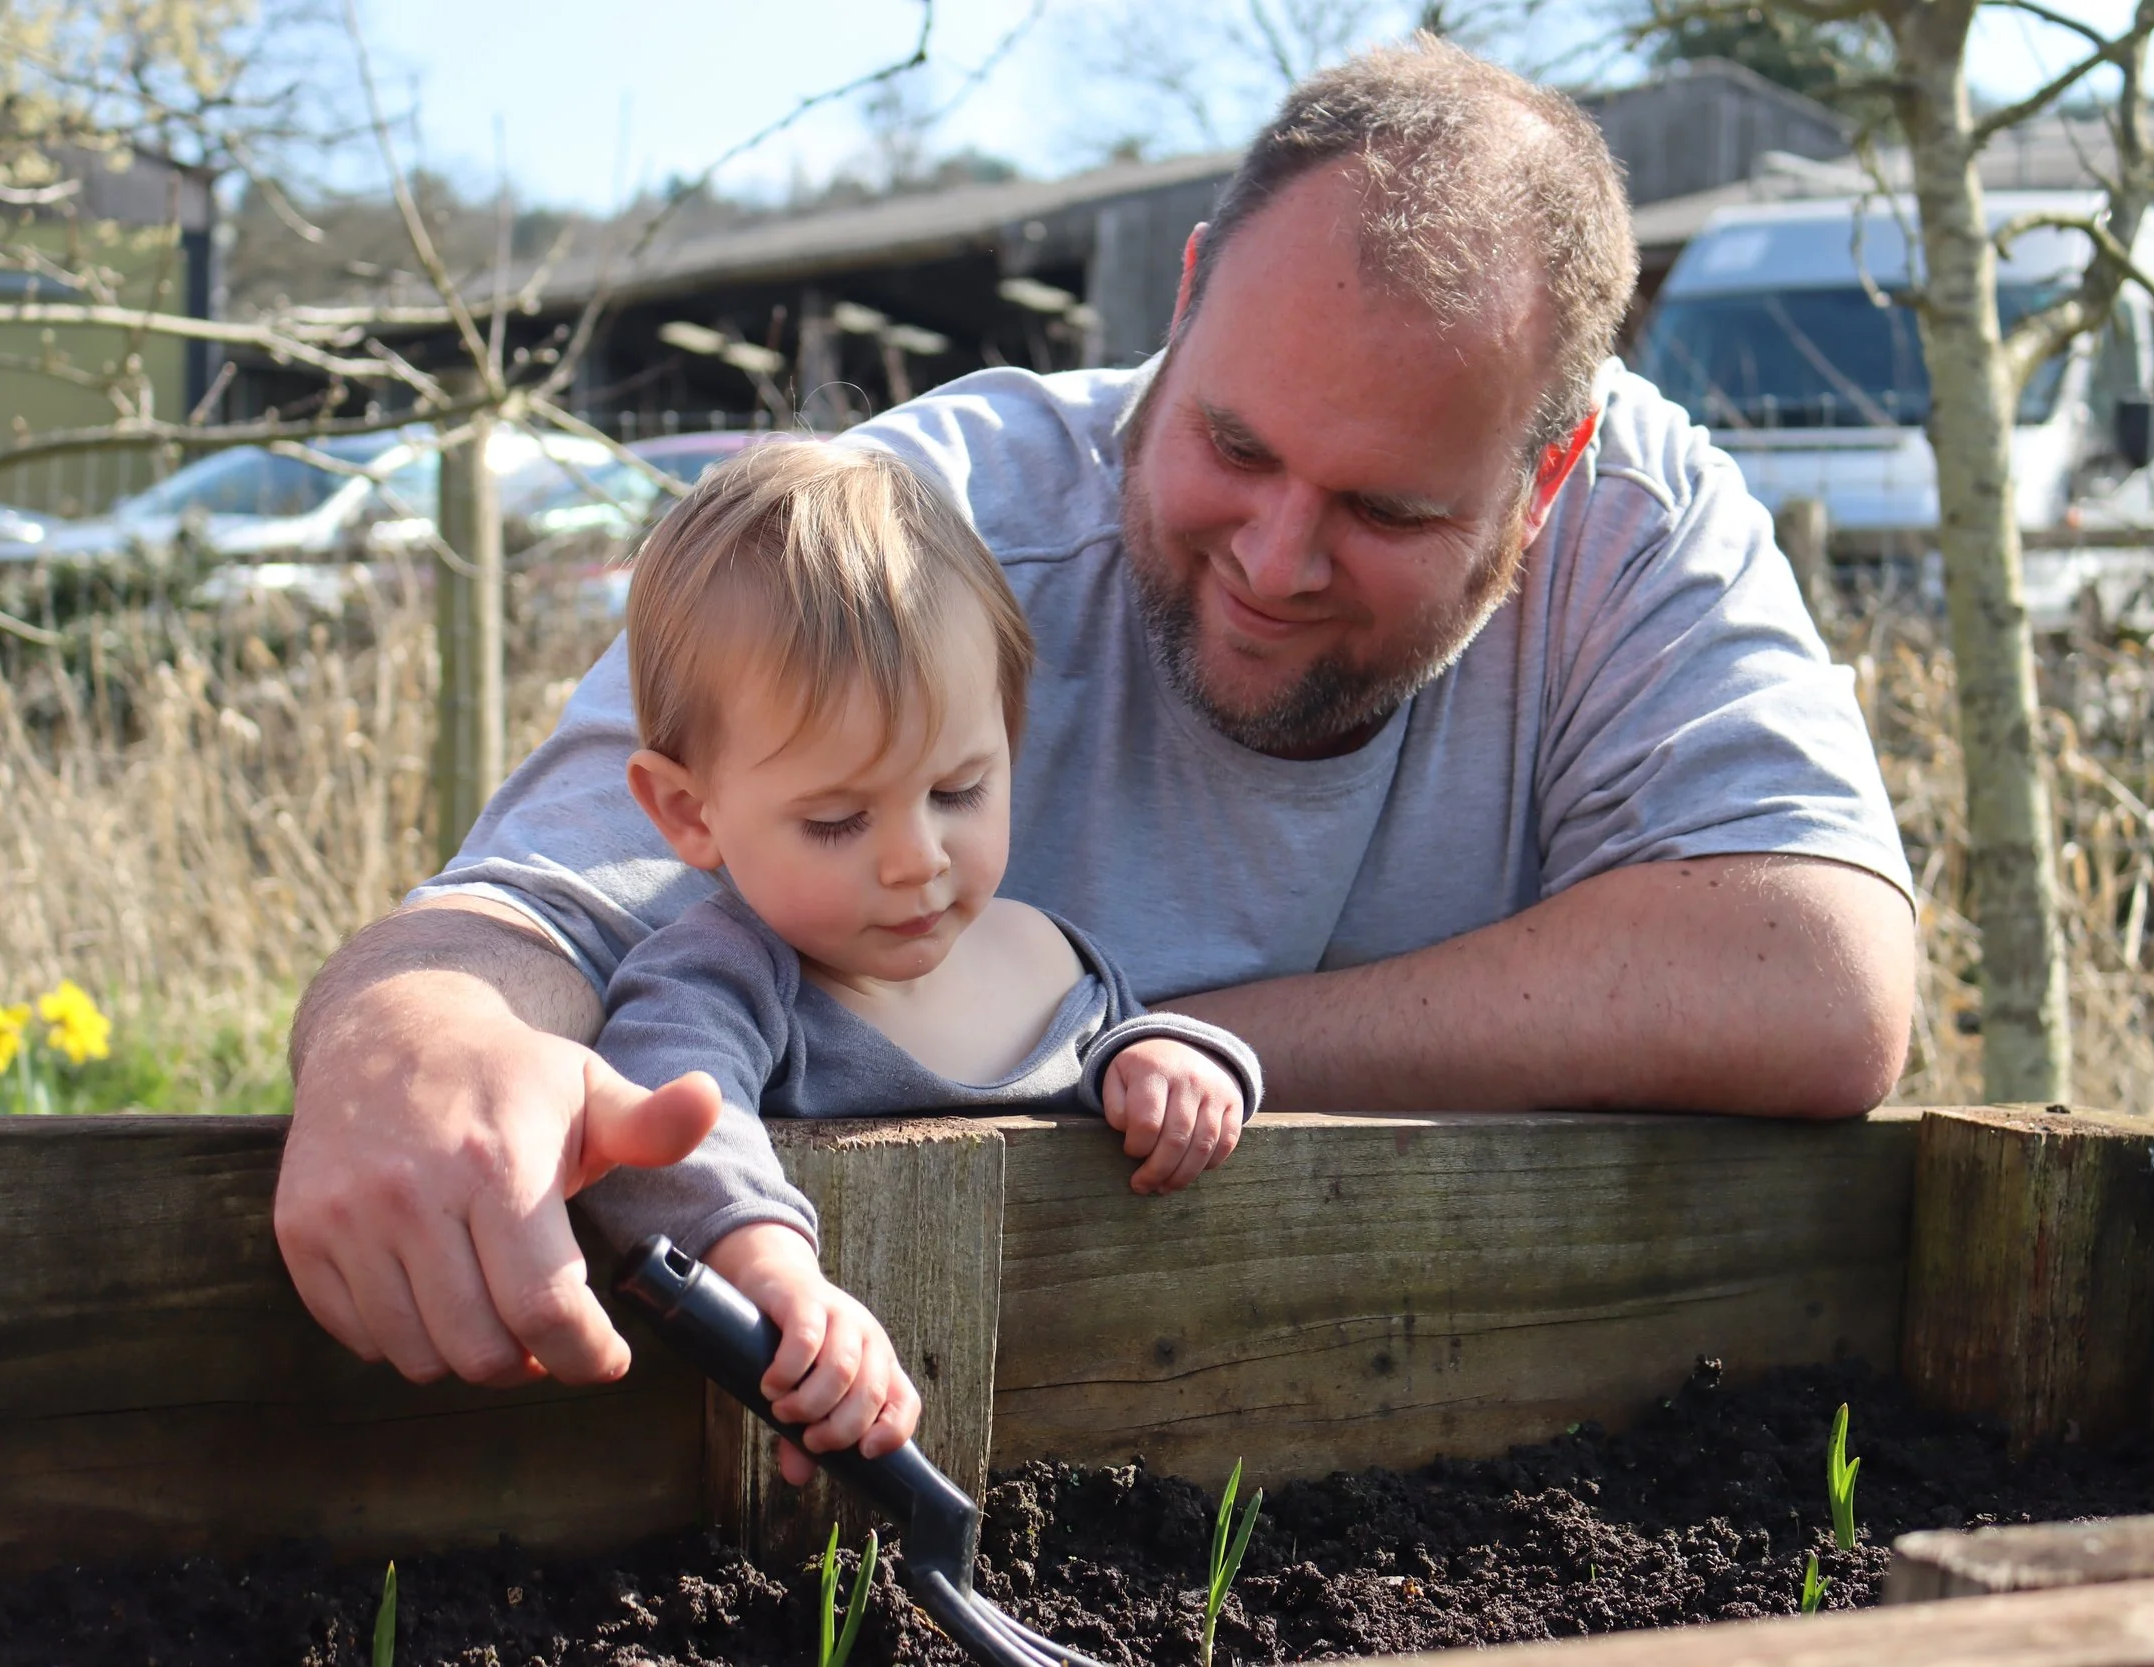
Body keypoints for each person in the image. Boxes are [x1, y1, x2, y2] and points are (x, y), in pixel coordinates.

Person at [276, 39, 1917, 1405]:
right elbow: (526, 915)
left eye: (1389, 511)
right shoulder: (913, 539)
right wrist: (408, 1038)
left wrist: (1153, 1050)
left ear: (1547, 473)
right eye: (1234, 446)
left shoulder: (1639, 524)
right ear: (1185, 301)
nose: (1276, 558)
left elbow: (1815, 976)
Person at [578, 437, 1262, 1471]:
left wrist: (1172, 1064)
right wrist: (773, 1274)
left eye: (957, 790)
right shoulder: (728, 977)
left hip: (1093, 1426)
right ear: (689, 810)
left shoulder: (1046, 958)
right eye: (838, 819)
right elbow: (664, 1118)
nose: (917, 858)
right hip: (811, 1463)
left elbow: (1128, 1047)